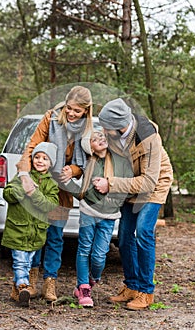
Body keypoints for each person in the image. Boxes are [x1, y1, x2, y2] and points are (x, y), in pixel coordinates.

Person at [93, 98, 173, 311]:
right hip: (130, 184)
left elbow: (148, 181)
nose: (102, 129)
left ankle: (146, 291)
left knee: (143, 232)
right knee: (125, 235)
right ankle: (132, 286)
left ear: (116, 125)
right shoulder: (114, 135)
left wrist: (110, 184)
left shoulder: (148, 137)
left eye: (105, 126)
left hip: (153, 184)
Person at [16, 86, 93, 302]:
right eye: (69, 108)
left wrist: (74, 170)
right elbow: (31, 147)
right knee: (36, 236)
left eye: (77, 111)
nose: (71, 113)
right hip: (40, 188)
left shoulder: (87, 131)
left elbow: (88, 161)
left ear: (86, 112)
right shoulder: (50, 119)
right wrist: (24, 173)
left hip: (62, 192)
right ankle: (30, 282)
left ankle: (49, 283)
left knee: (55, 238)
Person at [60, 129, 133, 307]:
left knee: (99, 255)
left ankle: (92, 279)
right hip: (88, 213)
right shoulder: (88, 163)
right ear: (89, 147)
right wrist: (68, 184)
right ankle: (83, 288)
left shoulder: (119, 160)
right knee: (84, 248)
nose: (100, 139)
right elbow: (81, 190)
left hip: (109, 215)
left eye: (101, 136)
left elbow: (126, 184)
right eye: (94, 139)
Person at [1, 142, 59, 307]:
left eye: (45, 159)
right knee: (20, 262)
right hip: (18, 229)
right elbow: (8, 193)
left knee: (28, 262)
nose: (40, 161)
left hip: (36, 232)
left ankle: (16, 290)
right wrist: (22, 189)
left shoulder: (52, 185)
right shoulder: (22, 177)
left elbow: (50, 205)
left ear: (51, 163)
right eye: (37, 157)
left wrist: (33, 193)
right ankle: (23, 286)